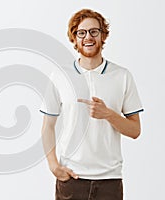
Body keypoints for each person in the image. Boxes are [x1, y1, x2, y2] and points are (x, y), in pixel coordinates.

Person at [40, 9, 144, 200]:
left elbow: (135, 130)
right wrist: (53, 165)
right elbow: (48, 126)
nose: (88, 37)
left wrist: (108, 114)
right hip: (71, 180)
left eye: (94, 31)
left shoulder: (122, 76)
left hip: (110, 182)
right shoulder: (60, 76)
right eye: (82, 32)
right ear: (75, 37)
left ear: (103, 35)